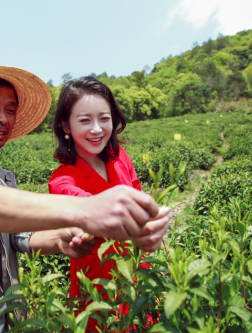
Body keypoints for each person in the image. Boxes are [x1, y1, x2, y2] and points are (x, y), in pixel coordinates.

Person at [0, 65, 167, 333]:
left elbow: (20, 237)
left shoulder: (2, 178)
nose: (3, 118)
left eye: (10, 110)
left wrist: (60, 240)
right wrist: (89, 208)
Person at [48, 77, 171, 332]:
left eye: (104, 118)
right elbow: (90, 207)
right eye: (84, 120)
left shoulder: (120, 157)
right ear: (66, 126)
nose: (97, 129)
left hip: (137, 272)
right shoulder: (63, 179)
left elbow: (140, 199)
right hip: (98, 287)